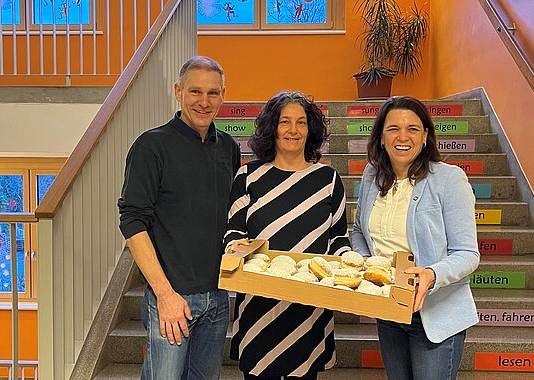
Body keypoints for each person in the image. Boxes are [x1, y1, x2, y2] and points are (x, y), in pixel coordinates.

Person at [118, 56, 241, 380]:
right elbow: (132, 222)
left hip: (216, 298)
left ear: (223, 95)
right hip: (170, 298)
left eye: (213, 93)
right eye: (195, 92)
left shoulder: (228, 147)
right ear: (178, 91)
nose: (204, 102)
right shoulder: (151, 146)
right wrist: (164, 294)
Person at [224, 91, 351, 379]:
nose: (293, 130)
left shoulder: (328, 179)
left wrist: (349, 264)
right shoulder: (248, 176)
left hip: (310, 306)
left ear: (311, 129)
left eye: (301, 122)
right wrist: (235, 246)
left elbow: (339, 238)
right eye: (285, 122)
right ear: (272, 128)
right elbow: (233, 230)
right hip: (259, 305)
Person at [351, 96, 480, 380]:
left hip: (436, 315)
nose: (403, 136)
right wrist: (363, 263)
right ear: (381, 138)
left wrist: (432, 275)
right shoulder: (372, 175)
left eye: (412, 128)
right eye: (393, 128)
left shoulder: (449, 179)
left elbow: (468, 253)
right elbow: (359, 230)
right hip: (389, 310)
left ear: (425, 136)